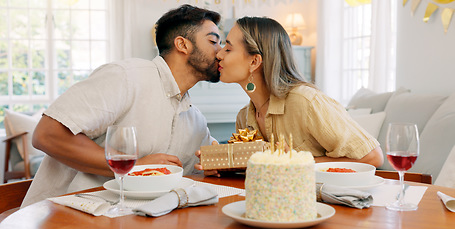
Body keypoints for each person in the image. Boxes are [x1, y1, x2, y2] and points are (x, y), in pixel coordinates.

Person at [22, 4, 221, 207]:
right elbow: (47, 134)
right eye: (214, 41)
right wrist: (133, 167)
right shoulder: (125, 77)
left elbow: (204, 165)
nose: (221, 52)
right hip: (60, 221)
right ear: (183, 45)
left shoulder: (195, 120)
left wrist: (213, 166)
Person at [197, 16, 383, 177]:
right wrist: (224, 166)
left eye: (228, 49)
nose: (219, 54)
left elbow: (372, 156)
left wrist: (298, 162)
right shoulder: (244, 117)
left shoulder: (306, 102)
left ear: (254, 61)